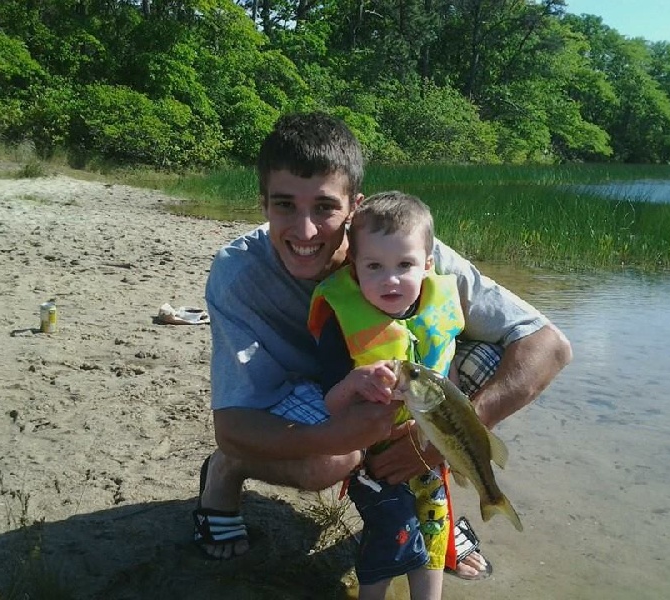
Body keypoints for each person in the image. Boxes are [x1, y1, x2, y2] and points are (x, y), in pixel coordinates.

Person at [194, 112, 572, 581]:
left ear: (356, 206)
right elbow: (231, 425)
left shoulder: (402, 250)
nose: (306, 231)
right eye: (285, 205)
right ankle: (225, 475)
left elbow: (548, 345)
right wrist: (339, 439)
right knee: (328, 463)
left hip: (397, 391)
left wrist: (438, 441)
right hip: (307, 396)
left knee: (487, 362)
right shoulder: (237, 275)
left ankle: (430, 505)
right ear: (264, 203)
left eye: (326, 208)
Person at [308, 191, 467, 600]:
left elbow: (450, 387)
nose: (390, 279)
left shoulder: (436, 315)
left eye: (405, 265)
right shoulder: (341, 326)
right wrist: (354, 382)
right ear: (356, 270)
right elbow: (328, 404)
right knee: (391, 534)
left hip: (427, 454)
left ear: (427, 266)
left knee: (434, 532)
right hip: (372, 463)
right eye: (375, 266)